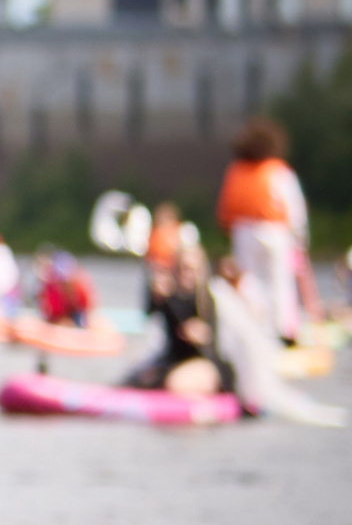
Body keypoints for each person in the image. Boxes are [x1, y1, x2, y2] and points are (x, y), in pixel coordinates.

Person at [217, 118, 308, 345]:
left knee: (248, 283)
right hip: (274, 231)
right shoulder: (278, 170)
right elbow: (295, 208)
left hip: (243, 231)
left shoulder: (236, 171)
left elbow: (225, 207)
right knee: (280, 282)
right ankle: (283, 331)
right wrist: (300, 239)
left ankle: (253, 327)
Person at [126, 237, 232, 397]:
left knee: (177, 383)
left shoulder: (210, 297)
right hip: (173, 360)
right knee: (137, 379)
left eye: (191, 269)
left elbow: (217, 336)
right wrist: (155, 294)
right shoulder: (170, 296)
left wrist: (204, 334)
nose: (186, 274)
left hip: (204, 361)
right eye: (182, 268)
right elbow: (148, 313)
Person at [31, 245, 97, 327]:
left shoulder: (80, 283)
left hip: (75, 315)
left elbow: (88, 306)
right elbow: (51, 311)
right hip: (59, 316)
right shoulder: (51, 287)